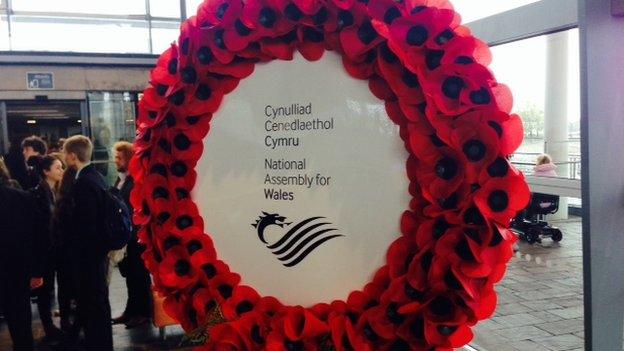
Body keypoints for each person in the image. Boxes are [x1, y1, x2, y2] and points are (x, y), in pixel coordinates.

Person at [63, 135, 113, 351]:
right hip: (98, 253)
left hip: (88, 255)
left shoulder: (83, 183)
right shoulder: (97, 177)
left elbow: (86, 225)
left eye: (66, 154)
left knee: (93, 303)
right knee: (98, 301)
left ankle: (98, 344)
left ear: (72, 156)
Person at [0, 159, 44, 351]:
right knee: (22, 330)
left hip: (14, 271)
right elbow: (37, 238)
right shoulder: (22, 198)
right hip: (16, 272)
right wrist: (36, 271)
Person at [111, 142, 152, 329]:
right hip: (127, 234)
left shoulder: (136, 180)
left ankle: (143, 312)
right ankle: (132, 310)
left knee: (139, 275)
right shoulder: (121, 180)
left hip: (136, 235)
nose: (115, 161)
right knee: (130, 275)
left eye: (119, 158)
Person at [30, 155, 65, 342]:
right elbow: (39, 228)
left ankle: (53, 325)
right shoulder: (37, 194)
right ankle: (48, 326)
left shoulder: (56, 191)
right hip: (45, 251)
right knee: (45, 291)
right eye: (58, 167)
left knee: (53, 288)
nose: (61, 170)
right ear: (46, 171)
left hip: (54, 249)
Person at [52, 166, 78, 334]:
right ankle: (76, 328)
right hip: (76, 253)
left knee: (64, 290)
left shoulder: (61, 201)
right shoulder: (77, 201)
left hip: (63, 254)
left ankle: (65, 323)